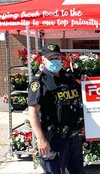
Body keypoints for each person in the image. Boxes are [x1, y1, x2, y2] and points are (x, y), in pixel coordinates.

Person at [28, 44, 85, 174]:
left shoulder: (69, 79)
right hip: (54, 140)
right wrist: (41, 139)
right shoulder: (39, 83)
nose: (55, 61)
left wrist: (85, 84)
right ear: (43, 60)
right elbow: (33, 113)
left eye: (57, 58)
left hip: (73, 138)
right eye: (51, 58)